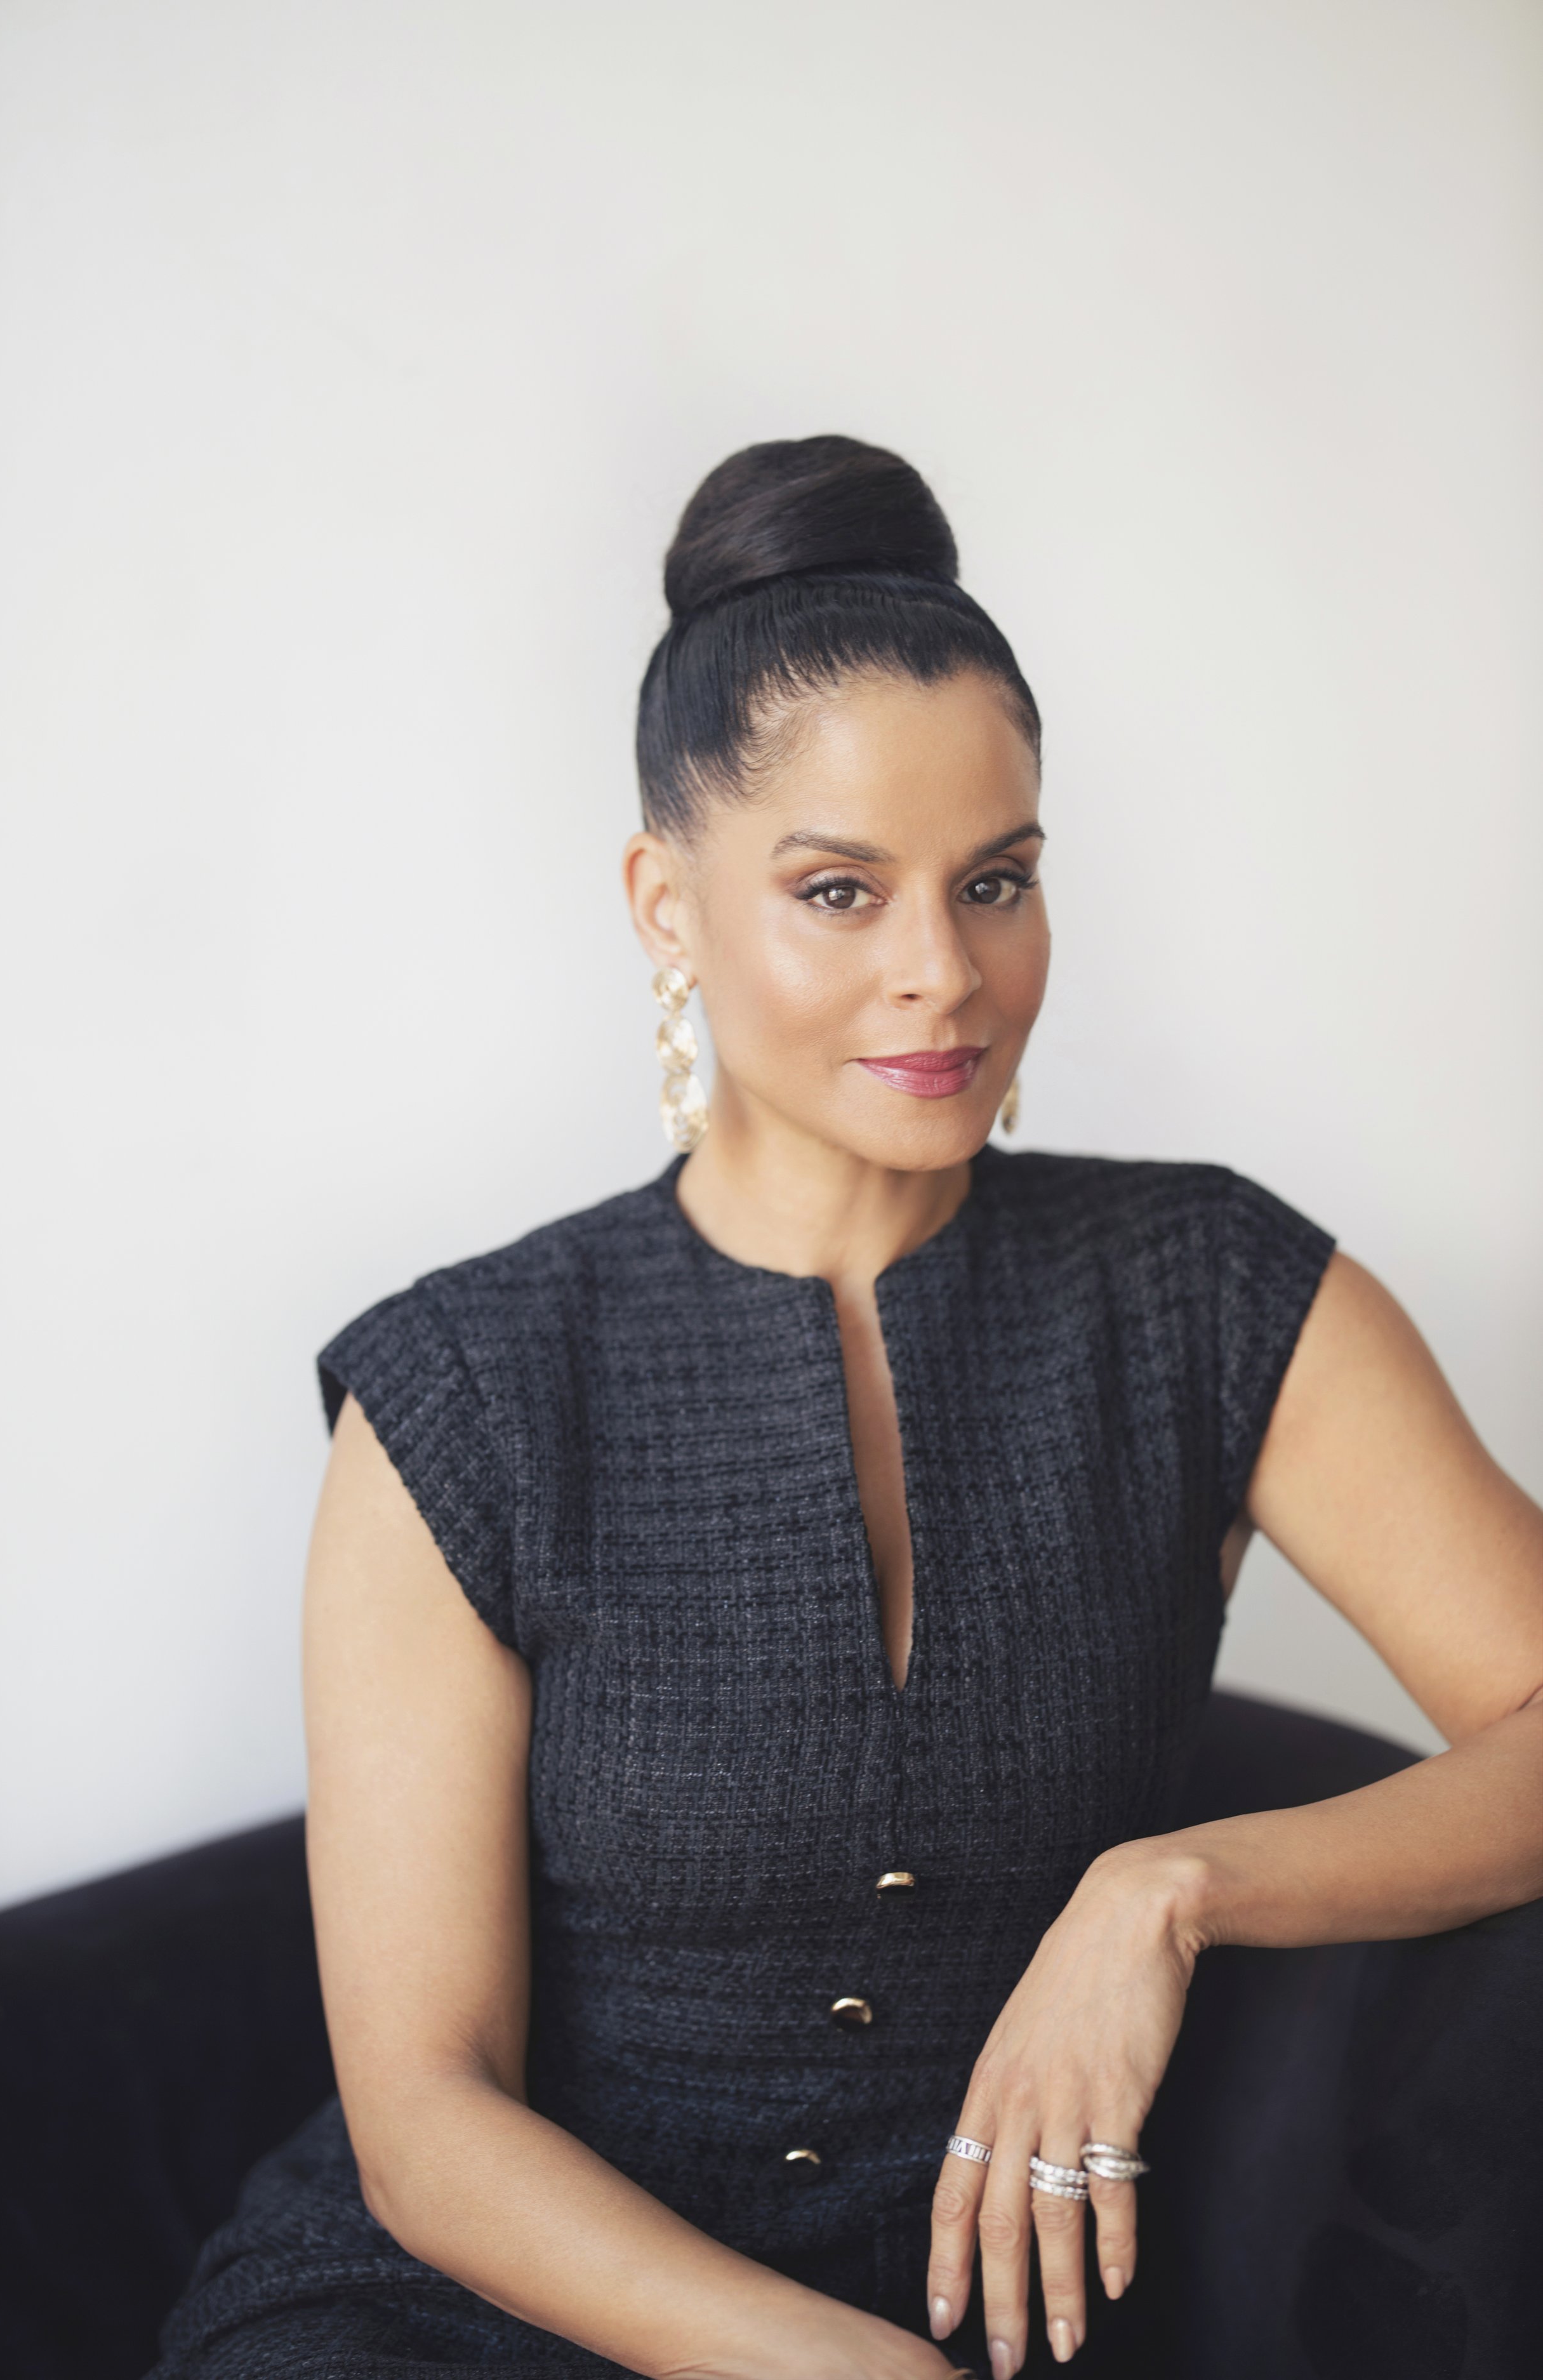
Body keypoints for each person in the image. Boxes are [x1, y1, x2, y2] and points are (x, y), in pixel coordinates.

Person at [150, 436, 1543, 2380]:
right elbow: (428, 2118)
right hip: (483, 2322)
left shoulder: (1212, 1295)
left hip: (1032, 2307)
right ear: (664, 903)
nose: (941, 976)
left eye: (996, 881)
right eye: (836, 890)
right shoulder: (462, 1390)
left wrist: (1173, 1892)